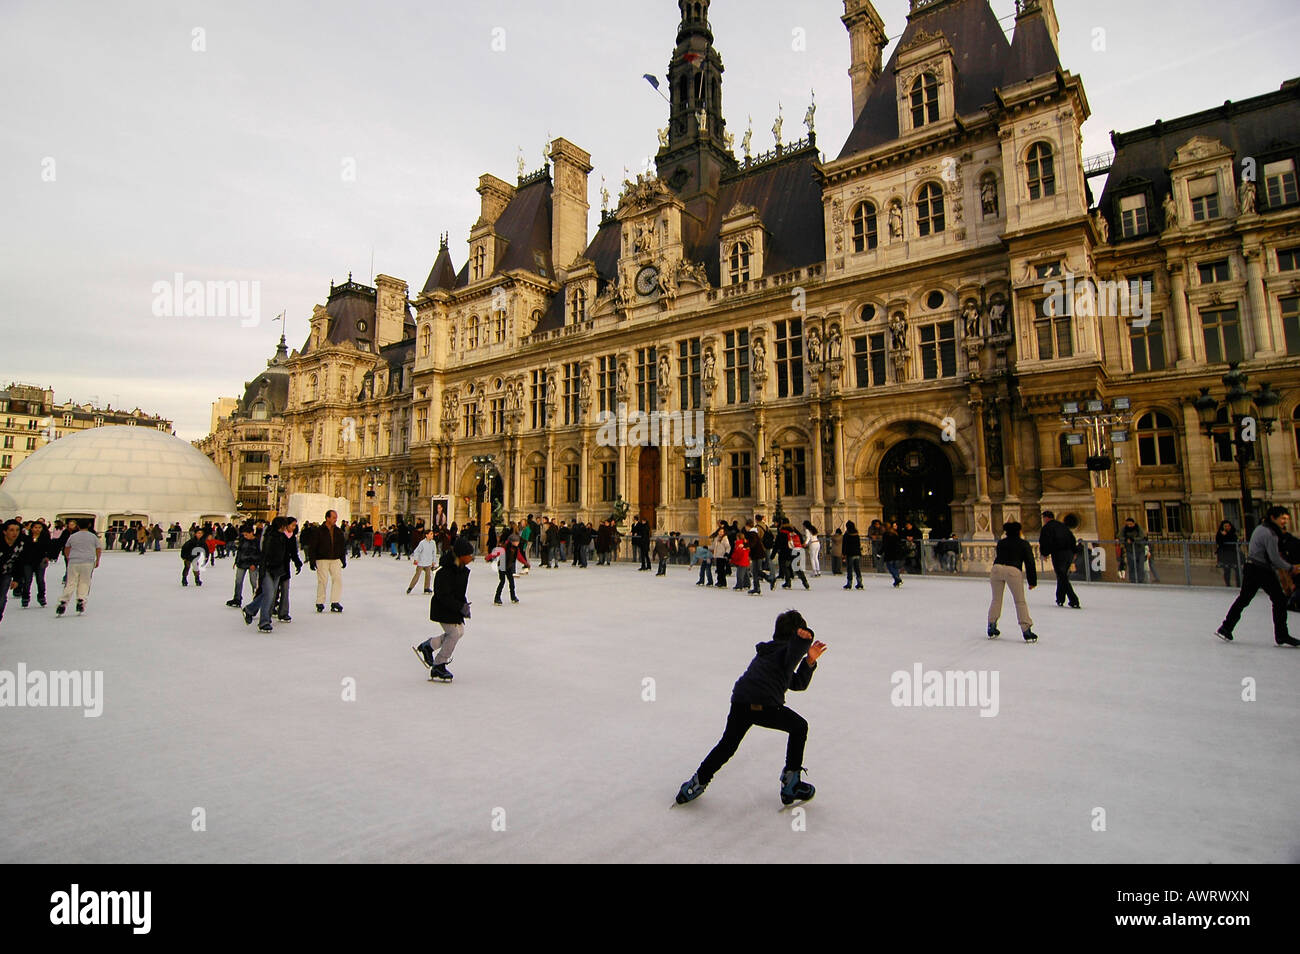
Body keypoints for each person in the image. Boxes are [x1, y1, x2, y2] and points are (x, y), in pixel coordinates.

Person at [675, 610, 828, 806]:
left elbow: (797, 683)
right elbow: (793, 653)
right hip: (764, 704)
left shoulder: (771, 653)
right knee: (799, 727)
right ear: (794, 635)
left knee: (727, 745)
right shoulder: (785, 652)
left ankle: (696, 783)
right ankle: (792, 783)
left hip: (741, 700)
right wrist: (803, 641)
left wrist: (809, 662)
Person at [1217, 506, 1300, 646]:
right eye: (1283, 518)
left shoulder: (1260, 528)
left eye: (1287, 519)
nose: (1285, 522)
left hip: (1252, 567)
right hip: (1261, 569)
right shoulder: (1270, 534)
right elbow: (1274, 558)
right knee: (1279, 600)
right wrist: (1291, 568)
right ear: (1273, 518)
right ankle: (1281, 635)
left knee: (1244, 599)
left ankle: (1226, 627)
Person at [413, 538, 475, 681]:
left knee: (459, 632)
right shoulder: (445, 571)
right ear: (461, 555)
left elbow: (460, 593)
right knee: (454, 633)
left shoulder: (462, 571)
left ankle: (428, 646)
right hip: (442, 608)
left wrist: (464, 605)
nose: (471, 558)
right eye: (469, 554)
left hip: (453, 607)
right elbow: (442, 595)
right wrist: (460, 607)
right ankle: (439, 665)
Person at [987, 521, 1039, 642]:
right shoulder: (1023, 544)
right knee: (1019, 601)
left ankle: (991, 624)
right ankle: (1026, 629)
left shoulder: (1001, 543)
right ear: (1019, 531)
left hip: (996, 569)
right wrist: (1032, 581)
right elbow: (1030, 562)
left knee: (996, 599)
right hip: (1013, 570)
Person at [56, 519, 101, 616]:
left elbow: (67, 548)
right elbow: (98, 548)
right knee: (84, 581)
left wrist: (68, 558)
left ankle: (64, 600)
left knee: (71, 582)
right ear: (89, 525)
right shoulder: (93, 536)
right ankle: (81, 599)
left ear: (78, 526)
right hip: (87, 561)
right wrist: (97, 560)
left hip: (74, 561)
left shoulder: (73, 536)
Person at [1038, 510, 1080, 609]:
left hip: (1058, 553)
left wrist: (1044, 553)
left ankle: (1074, 600)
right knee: (1062, 575)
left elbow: (1045, 541)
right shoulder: (1063, 526)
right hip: (1068, 553)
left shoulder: (1047, 528)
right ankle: (1060, 598)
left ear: (1046, 518)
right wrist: (1074, 551)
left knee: (1062, 576)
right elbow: (1071, 538)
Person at [312, 509, 347, 613]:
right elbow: (313, 546)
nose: (335, 520)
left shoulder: (338, 531)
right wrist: (312, 560)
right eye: (333, 517)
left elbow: (342, 546)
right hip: (322, 558)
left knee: (337, 579)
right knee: (323, 580)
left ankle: (335, 601)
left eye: (336, 517)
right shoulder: (319, 531)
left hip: (335, 558)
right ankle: (320, 601)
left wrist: (343, 559)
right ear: (327, 518)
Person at [0, 520, 30, 627]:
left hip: (6, 573)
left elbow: (20, 562)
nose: (14, 533)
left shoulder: (21, 544)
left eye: (17, 530)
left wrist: (17, 579)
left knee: (2, 598)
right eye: (11, 530)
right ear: (4, 532)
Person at [227, 522, 261, 607]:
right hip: (241, 563)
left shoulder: (257, 542)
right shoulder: (243, 540)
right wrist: (236, 561)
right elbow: (240, 551)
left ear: (251, 533)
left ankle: (256, 600)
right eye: (244, 535)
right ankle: (237, 598)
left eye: (246, 535)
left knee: (254, 583)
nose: (245, 536)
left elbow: (260, 554)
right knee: (238, 581)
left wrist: (255, 563)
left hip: (252, 565)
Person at [490, 533, 522, 604]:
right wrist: (488, 557)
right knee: (502, 581)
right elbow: (496, 552)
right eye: (516, 541)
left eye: (518, 541)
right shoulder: (505, 547)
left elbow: (519, 557)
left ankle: (513, 597)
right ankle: (497, 598)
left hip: (509, 566)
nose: (518, 543)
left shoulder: (516, 549)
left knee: (511, 582)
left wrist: (526, 563)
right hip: (502, 565)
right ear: (512, 542)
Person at [408, 528, 438, 594]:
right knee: (417, 575)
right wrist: (416, 559)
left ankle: (426, 588)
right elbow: (417, 551)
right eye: (431, 534)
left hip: (429, 562)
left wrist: (433, 561)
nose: (432, 535)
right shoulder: (422, 543)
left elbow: (434, 552)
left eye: (432, 534)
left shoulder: (433, 543)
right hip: (421, 562)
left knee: (428, 576)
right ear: (427, 535)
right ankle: (410, 587)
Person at [1215, 520, 1241, 588]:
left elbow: (1235, 541)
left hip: (1233, 553)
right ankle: (1228, 584)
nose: (1227, 527)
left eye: (1228, 526)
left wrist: (1226, 535)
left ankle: (1239, 584)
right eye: (1225, 526)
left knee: (1237, 569)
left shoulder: (1233, 533)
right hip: (1225, 554)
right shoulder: (1220, 533)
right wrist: (1223, 536)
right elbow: (1219, 542)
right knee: (1227, 570)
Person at [1121, 517, 1146, 583]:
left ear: (1134, 523)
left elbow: (1142, 536)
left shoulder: (1138, 528)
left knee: (1140, 566)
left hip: (1139, 549)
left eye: (1131, 524)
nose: (1129, 526)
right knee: (1131, 565)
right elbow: (1120, 536)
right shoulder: (1124, 529)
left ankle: (1140, 580)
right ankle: (1132, 579)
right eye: (1128, 524)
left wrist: (1133, 539)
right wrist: (1126, 539)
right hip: (1130, 550)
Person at [881, 521, 905, 588]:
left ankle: (897, 579)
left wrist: (879, 553)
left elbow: (884, 545)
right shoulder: (895, 533)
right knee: (895, 567)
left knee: (890, 567)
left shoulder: (886, 534)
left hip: (889, 553)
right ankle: (896, 581)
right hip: (896, 553)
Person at [841, 521, 863, 589]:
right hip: (857, 553)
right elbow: (859, 544)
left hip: (850, 554)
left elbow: (844, 545)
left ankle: (849, 583)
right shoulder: (856, 534)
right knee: (857, 569)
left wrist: (843, 554)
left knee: (849, 569)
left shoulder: (847, 535)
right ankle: (860, 582)